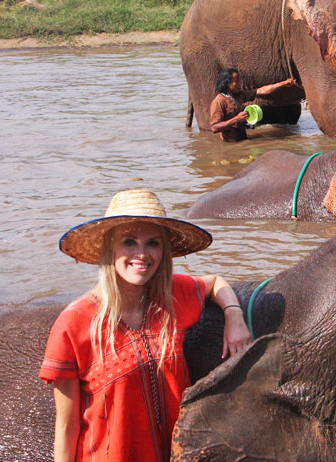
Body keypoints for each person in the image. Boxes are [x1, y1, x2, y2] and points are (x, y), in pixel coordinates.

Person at [39, 189, 252, 462]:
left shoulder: (172, 296)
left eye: (153, 243)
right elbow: (67, 427)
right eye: (130, 241)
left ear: (164, 251)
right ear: (110, 248)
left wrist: (234, 317)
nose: (142, 254)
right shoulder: (74, 324)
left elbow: (215, 283)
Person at [209, 67, 300, 142]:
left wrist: (283, 83)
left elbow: (261, 90)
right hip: (230, 144)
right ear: (228, 83)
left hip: (243, 140)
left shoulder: (239, 95)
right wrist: (236, 119)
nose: (239, 84)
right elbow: (214, 127)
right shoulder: (219, 101)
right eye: (236, 81)